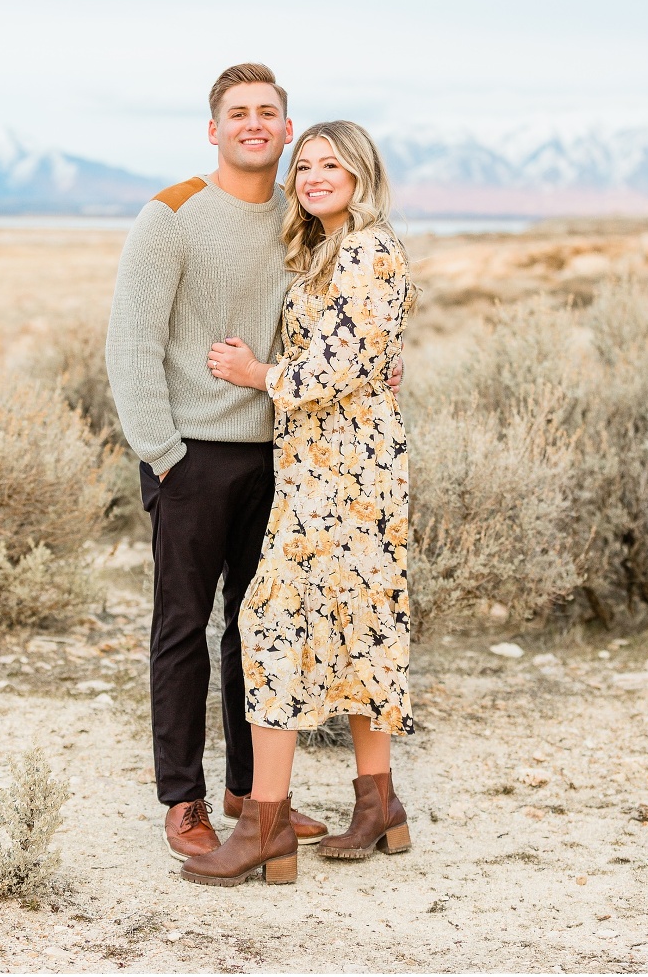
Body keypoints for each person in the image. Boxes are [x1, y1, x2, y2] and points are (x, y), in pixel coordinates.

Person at [106, 65, 402, 861]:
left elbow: (344, 320)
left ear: (286, 125)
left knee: (259, 632)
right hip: (192, 457)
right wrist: (164, 456)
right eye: (236, 113)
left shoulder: (300, 215)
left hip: (283, 458)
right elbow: (130, 346)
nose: (253, 124)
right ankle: (184, 801)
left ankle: (249, 796)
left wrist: (378, 367)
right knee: (182, 630)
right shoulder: (170, 216)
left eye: (267, 113)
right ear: (214, 129)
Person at [180, 121, 414, 887]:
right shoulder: (324, 247)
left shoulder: (369, 249)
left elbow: (333, 370)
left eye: (330, 164)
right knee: (358, 621)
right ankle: (379, 806)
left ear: (361, 173)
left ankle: (265, 824)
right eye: (304, 163)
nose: (313, 175)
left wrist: (256, 374)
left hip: (349, 477)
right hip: (320, 469)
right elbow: (364, 352)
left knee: (270, 622)